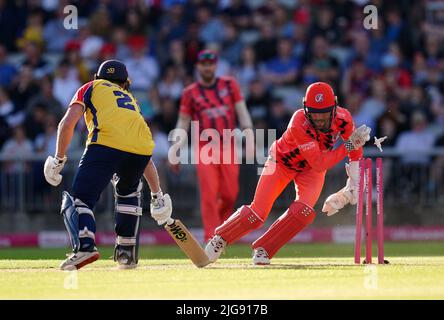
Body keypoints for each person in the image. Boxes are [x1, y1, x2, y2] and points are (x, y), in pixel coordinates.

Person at [204, 82, 371, 265]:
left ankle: (264, 249)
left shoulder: (344, 118)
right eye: (315, 114)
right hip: (282, 163)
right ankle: (219, 239)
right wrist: (349, 145)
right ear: (306, 110)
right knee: (257, 214)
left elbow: (355, 152)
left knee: (304, 212)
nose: (320, 119)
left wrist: (353, 183)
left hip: (310, 171)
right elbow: (321, 161)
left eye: (324, 113)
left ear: (334, 107)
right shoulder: (299, 122)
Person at [43, 60, 172, 270]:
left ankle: (85, 246)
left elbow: (67, 123)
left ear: (98, 77)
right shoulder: (132, 101)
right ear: (125, 83)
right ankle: (126, 254)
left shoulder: (91, 87)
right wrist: (157, 194)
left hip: (105, 144)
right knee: (128, 193)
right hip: (140, 151)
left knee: (79, 199)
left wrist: (58, 158)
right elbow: (145, 154)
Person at [171, 50, 253, 242]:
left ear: (215, 66)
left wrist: (249, 135)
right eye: (203, 64)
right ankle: (211, 237)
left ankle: (222, 232)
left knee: (230, 194)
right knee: (209, 194)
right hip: (204, 147)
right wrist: (175, 149)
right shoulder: (190, 93)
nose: (207, 67)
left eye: (210, 64)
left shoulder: (229, 85)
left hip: (228, 145)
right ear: (198, 67)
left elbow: (242, 112)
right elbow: (183, 122)